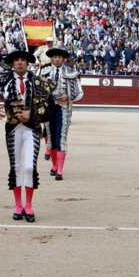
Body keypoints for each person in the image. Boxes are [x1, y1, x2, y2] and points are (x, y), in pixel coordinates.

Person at [0, 49, 53, 223]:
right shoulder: (4, 80)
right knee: (16, 166)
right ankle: (18, 206)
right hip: (13, 129)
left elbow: (49, 108)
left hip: (32, 128)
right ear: (13, 63)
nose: (20, 62)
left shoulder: (38, 81)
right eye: (17, 60)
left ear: (27, 63)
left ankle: (29, 205)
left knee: (29, 167)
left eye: (23, 60)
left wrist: (32, 114)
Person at [39, 47, 83, 181]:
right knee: (51, 138)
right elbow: (37, 89)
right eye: (54, 57)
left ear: (63, 59)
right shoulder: (43, 71)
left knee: (61, 138)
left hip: (63, 108)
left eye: (59, 57)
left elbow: (80, 92)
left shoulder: (71, 72)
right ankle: (54, 165)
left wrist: (68, 97)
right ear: (51, 58)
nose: (57, 59)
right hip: (48, 108)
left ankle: (60, 170)